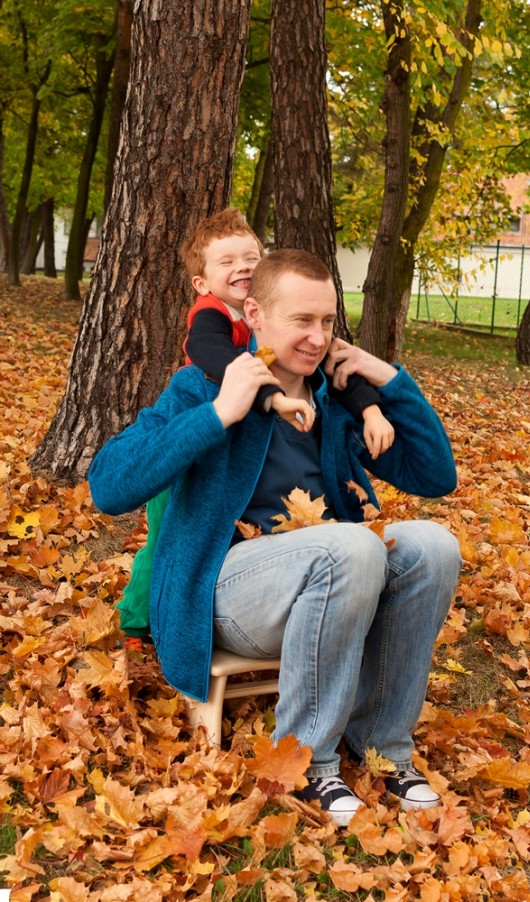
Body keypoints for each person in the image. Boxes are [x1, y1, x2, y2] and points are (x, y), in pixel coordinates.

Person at [89, 248, 461, 828]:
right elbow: (109, 486)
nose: (318, 338)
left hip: (330, 582)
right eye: (301, 321)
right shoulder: (206, 386)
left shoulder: (336, 404)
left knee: (434, 545)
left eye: (328, 322)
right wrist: (219, 413)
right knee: (353, 545)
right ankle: (305, 764)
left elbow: (436, 477)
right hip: (225, 596)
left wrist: (386, 377)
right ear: (256, 314)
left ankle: (383, 747)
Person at [119, 209, 395, 648]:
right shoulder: (210, 315)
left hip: (264, 460)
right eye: (226, 262)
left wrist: (372, 411)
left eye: (251, 256)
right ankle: (141, 620)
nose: (243, 266)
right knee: (168, 539)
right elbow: (206, 351)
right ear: (202, 283)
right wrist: (267, 397)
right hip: (196, 445)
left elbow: (337, 367)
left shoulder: (287, 320)